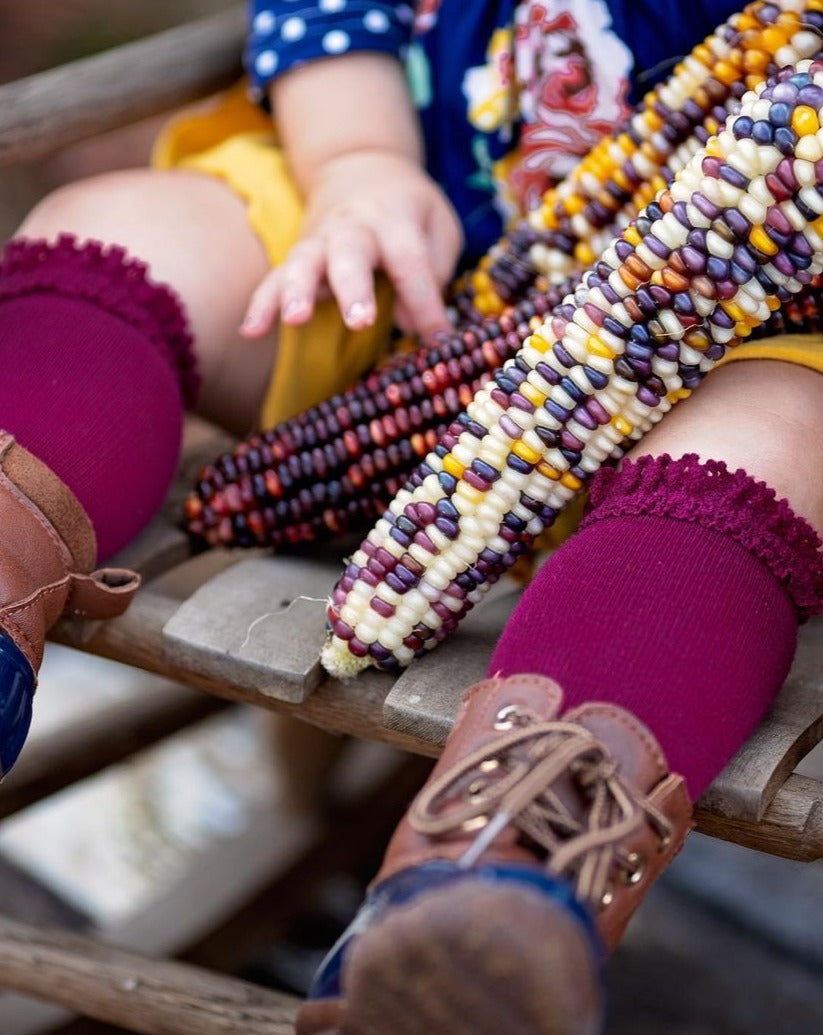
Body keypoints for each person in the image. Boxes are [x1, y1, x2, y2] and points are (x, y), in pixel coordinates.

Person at [0, 1, 821, 1031]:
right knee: (125, 228)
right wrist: (356, 158)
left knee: (785, 435)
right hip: (390, 259)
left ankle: (496, 885)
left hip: (739, 371)